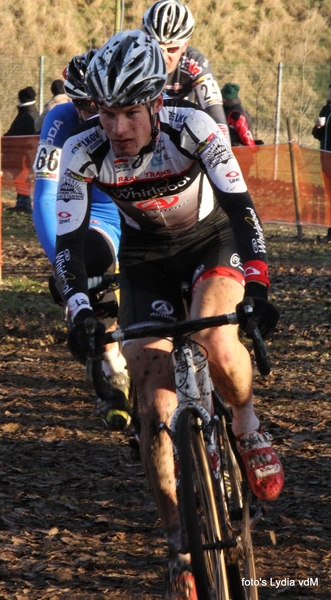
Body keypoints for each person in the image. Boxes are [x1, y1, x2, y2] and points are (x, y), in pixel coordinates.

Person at [54, 30, 284, 599]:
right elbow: (68, 243)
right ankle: (180, 541)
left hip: (212, 239)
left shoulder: (195, 128)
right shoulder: (84, 153)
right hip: (145, 259)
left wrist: (256, 282)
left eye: (130, 113)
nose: (117, 129)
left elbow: (242, 208)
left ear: (156, 103)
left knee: (216, 337)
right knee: (154, 408)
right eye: (106, 114)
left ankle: (247, 425)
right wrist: (80, 308)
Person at [33, 52, 128, 431]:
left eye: (97, 104)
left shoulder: (127, 114)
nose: (90, 113)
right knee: (87, 272)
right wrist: (64, 264)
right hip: (95, 217)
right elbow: (44, 196)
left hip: (136, 208)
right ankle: (114, 370)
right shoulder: (60, 120)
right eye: (81, 104)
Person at [141, 0, 230, 141]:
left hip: (179, 132)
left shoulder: (195, 63)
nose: (163, 56)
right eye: (156, 47)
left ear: (184, 46)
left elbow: (217, 118)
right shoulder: (133, 60)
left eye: (172, 49)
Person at [4, 86, 39, 212]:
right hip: (23, 153)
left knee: (22, 177)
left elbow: (19, 135)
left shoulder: (27, 116)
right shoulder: (29, 113)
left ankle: (24, 203)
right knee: (20, 177)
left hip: (24, 154)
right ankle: (22, 202)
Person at [312, 82, 331, 242]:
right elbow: (316, 135)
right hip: (325, 160)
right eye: (329, 90)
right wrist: (318, 128)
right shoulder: (326, 109)